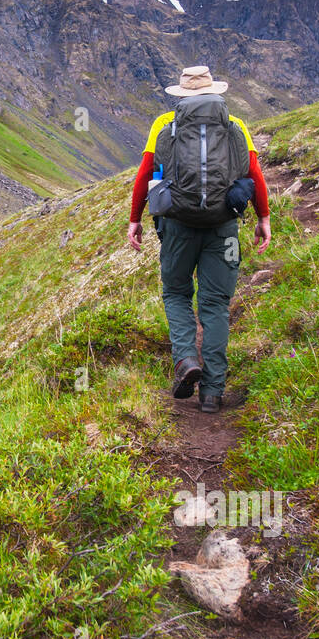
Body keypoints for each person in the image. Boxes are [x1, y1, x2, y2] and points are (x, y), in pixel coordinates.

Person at [127, 66, 272, 413]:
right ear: (213, 91)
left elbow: (145, 173)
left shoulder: (164, 125)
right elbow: (254, 173)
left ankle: (186, 360)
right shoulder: (234, 125)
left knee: (176, 292)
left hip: (176, 225)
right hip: (223, 227)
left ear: (182, 93)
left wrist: (135, 219)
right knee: (215, 304)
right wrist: (263, 217)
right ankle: (212, 393)